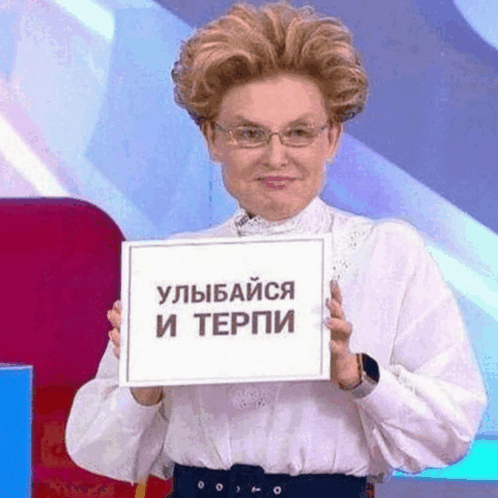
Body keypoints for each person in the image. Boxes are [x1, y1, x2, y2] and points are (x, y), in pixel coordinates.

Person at [65, 2, 487, 497]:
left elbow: (451, 431)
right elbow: (96, 449)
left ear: (332, 138)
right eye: (249, 133)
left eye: (299, 133)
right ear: (212, 138)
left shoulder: (387, 253)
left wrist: (357, 374)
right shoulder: (175, 268)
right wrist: (145, 380)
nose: (275, 156)